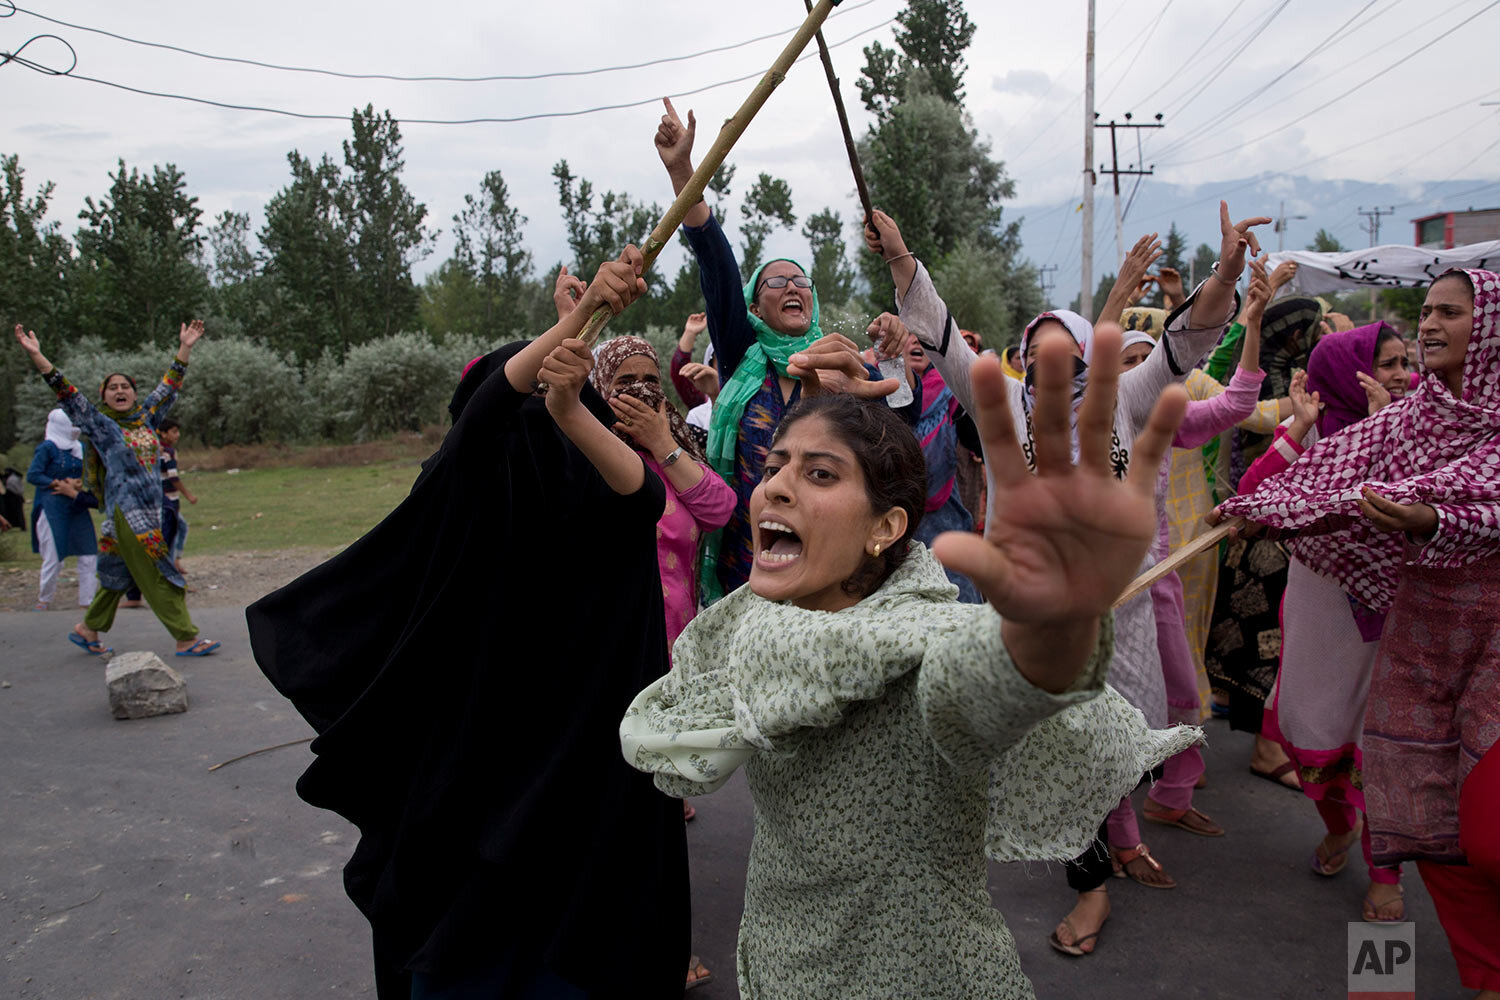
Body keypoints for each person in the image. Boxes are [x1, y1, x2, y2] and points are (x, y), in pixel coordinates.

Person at [621, 330, 1201, 998]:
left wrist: (1042, 635)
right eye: (776, 466)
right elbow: (668, 744)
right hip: (781, 962)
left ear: (886, 528)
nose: (774, 487)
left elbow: (977, 684)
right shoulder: (751, 626)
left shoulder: (922, 646)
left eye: (819, 474)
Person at [247, 248, 692, 998]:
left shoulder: (593, 477)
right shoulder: (464, 485)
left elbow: (645, 495)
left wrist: (568, 399)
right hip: (487, 759)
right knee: (481, 932)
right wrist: (577, 321)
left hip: (584, 766)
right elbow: (492, 408)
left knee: (569, 937)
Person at [865, 201, 1262, 955]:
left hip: (1128, 610)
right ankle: (1092, 886)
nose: (1055, 371)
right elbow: (939, 329)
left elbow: (1190, 337)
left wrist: (1227, 275)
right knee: (1059, 746)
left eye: (1069, 358)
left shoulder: (1129, 399)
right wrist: (900, 257)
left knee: (1114, 744)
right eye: (1038, 355)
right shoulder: (1002, 407)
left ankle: (1121, 830)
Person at [1218, 269, 1500, 998]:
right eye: (1421, 318)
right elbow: (1298, 485)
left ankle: (1386, 894)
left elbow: (1478, 496)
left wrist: (1428, 518)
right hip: (1394, 632)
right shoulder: (1403, 422)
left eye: (1449, 314)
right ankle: (1430, 972)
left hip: (1475, 646)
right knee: (1373, 781)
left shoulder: (1459, 426)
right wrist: (1271, 502)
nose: (1423, 335)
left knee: (1478, 833)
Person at [651, 97, 916, 604]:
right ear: (753, 303)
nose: (792, 286)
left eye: (801, 280)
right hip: (745, 560)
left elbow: (895, 440)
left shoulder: (841, 362)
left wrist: (895, 362)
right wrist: (684, 169)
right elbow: (716, 262)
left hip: (827, 564)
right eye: (776, 280)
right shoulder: (741, 350)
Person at [1235, 320, 1411, 923]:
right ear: (1346, 370)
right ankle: (1338, 827)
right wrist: (1301, 428)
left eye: (1402, 362)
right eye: (1386, 362)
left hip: (1389, 613)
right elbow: (1253, 497)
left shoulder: (1414, 431)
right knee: (1305, 725)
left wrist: (1387, 433)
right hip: (1319, 612)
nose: (1399, 375)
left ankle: (1384, 875)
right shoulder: (1311, 434)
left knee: (1376, 744)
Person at [13, 321, 218, 657]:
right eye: (112, 388)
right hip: (129, 514)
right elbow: (67, 394)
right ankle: (186, 637)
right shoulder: (101, 425)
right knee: (158, 573)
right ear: (103, 396)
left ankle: (88, 629)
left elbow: (169, 386)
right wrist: (38, 356)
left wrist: (186, 348)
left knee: (113, 575)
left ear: (134, 393)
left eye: (125, 386)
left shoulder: (148, 417)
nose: (120, 391)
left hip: (144, 512)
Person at [582, 334, 735, 652]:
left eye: (651, 380)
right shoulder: (581, 454)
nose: (641, 389)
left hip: (675, 639)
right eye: (625, 381)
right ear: (600, 387)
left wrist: (662, 445)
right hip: (606, 639)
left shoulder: (678, 450)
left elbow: (719, 510)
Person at [26, 408, 99, 611]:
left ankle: (87, 600)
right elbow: (33, 475)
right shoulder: (48, 448)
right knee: (53, 555)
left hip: (76, 504)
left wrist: (77, 483)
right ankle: (45, 598)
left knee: (88, 553)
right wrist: (55, 483)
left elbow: (87, 474)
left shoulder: (80, 447)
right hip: (52, 505)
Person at [122, 416, 196, 607]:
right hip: (164, 504)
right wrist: (188, 495)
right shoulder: (164, 452)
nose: (176, 435)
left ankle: (138, 591)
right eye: (173, 431)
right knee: (162, 544)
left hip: (157, 504)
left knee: (172, 534)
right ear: (161, 433)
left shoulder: (152, 452)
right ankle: (166, 582)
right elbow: (173, 477)